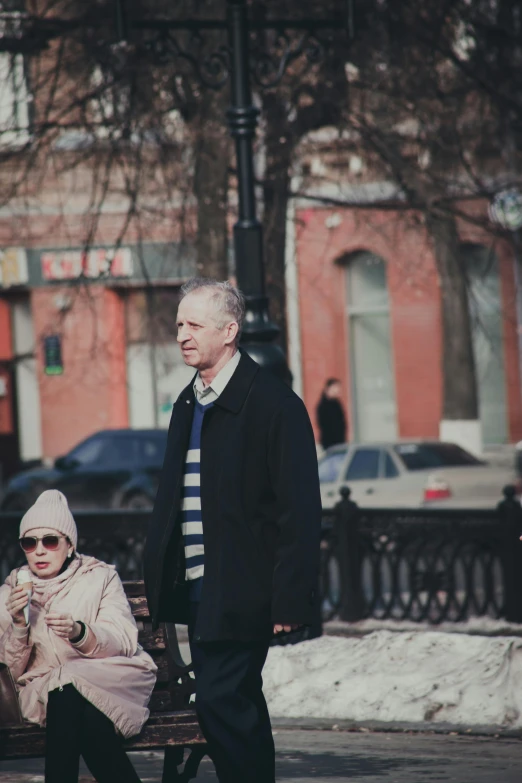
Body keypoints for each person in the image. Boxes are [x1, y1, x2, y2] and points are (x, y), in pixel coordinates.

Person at [143, 278, 322, 783]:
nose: (182, 334)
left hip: (245, 588)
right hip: (201, 591)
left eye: (194, 324)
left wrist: (290, 599)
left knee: (222, 700)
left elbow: (300, 511)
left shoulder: (273, 404)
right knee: (235, 703)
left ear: (230, 331)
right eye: (179, 324)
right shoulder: (188, 402)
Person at [0, 489, 157, 783]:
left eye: (49, 540)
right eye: (29, 543)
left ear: (69, 545)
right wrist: (19, 625)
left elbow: (123, 639)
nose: (40, 550)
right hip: (45, 690)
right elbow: (7, 673)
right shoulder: (9, 595)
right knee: (77, 705)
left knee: (69, 687)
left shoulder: (99, 578)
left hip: (108, 676)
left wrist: (80, 632)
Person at [316, 378, 347, 450]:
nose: (338, 390)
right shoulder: (323, 405)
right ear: (329, 388)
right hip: (329, 442)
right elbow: (323, 424)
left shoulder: (337, 404)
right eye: (335, 387)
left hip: (340, 442)